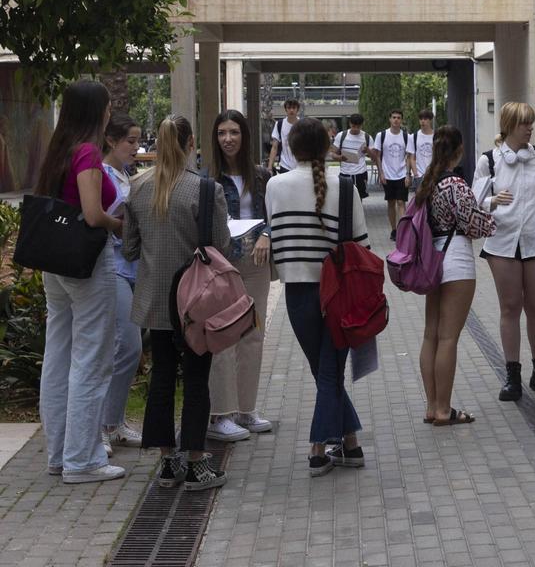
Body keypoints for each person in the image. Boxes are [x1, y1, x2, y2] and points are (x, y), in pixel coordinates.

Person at [124, 115, 232, 492]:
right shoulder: (205, 190)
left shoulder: (138, 188)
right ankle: (198, 462)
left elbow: (129, 248)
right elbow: (222, 245)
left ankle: (167, 462)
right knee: (198, 379)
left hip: (155, 300)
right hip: (195, 302)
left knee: (162, 378)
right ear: (190, 145)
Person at [265, 118, 371, 476]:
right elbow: (362, 248)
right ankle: (328, 448)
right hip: (339, 295)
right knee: (330, 373)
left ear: (291, 148)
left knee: (325, 372)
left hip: (297, 294)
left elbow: (276, 237)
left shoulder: (274, 185)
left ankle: (335, 447)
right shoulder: (346, 187)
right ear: (327, 148)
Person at [35, 80, 125, 484]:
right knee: (92, 359)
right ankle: (83, 460)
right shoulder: (88, 151)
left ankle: (60, 455)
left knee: (59, 356)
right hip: (87, 263)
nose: (110, 112)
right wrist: (119, 225)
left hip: (53, 261)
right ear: (96, 110)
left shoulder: (58, 150)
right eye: (107, 106)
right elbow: (92, 214)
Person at [475, 103, 535, 401]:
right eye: (524, 123)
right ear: (509, 125)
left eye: (531, 123)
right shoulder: (489, 160)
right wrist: (492, 202)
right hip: (502, 243)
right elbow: (476, 201)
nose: (530, 128)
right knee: (510, 307)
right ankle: (511, 375)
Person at [417, 126, 496, 425]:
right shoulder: (456, 185)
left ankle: (431, 405)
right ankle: (443, 410)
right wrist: (491, 221)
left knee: (431, 335)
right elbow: (474, 224)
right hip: (456, 261)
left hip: (431, 260)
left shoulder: (427, 182)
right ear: (459, 150)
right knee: (449, 338)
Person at [207, 109, 274, 443]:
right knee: (223, 336)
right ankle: (220, 414)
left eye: (234, 132)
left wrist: (267, 235)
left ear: (245, 136)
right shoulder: (208, 177)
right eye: (222, 133)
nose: (228, 139)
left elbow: (273, 213)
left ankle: (246, 409)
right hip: (221, 261)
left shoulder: (261, 175)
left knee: (253, 334)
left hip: (255, 260)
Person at [100, 114, 144, 454]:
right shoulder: (101, 175)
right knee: (126, 346)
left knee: (128, 348)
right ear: (112, 141)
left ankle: (112, 423)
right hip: (111, 269)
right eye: (130, 140)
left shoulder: (124, 174)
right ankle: (101, 425)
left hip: (132, 268)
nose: (136, 146)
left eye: (137, 140)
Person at [371, 109, 411, 240]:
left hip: (401, 174)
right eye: (394, 117)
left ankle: (403, 230)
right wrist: (381, 173)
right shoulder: (381, 135)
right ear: (389, 119)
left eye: (399, 117)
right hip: (387, 174)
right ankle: (394, 230)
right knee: (391, 202)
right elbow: (377, 156)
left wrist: (407, 174)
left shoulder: (407, 136)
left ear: (402, 120)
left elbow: (409, 156)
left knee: (401, 202)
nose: (396, 120)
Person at [333, 113, 371, 200]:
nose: (356, 129)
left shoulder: (366, 137)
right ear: (350, 124)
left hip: (360, 173)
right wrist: (339, 157)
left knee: (359, 198)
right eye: (354, 126)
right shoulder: (341, 136)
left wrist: (367, 150)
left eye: (358, 127)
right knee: (344, 197)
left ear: (362, 125)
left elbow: (374, 156)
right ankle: (346, 213)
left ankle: (358, 213)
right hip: (345, 173)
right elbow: (333, 153)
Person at [268, 98, 301, 174]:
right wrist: (270, 167)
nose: (291, 110)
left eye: (294, 108)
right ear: (286, 109)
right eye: (289, 108)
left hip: (300, 166)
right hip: (284, 165)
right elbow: (274, 147)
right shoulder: (279, 124)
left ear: (297, 109)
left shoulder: (302, 124)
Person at [407, 108, 436, 194]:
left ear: (430, 120)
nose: (423, 121)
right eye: (421, 119)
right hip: (419, 175)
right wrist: (416, 174)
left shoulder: (436, 136)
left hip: (433, 174)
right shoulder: (413, 137)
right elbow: (411, 157)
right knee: (420, 203)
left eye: (425, 119)